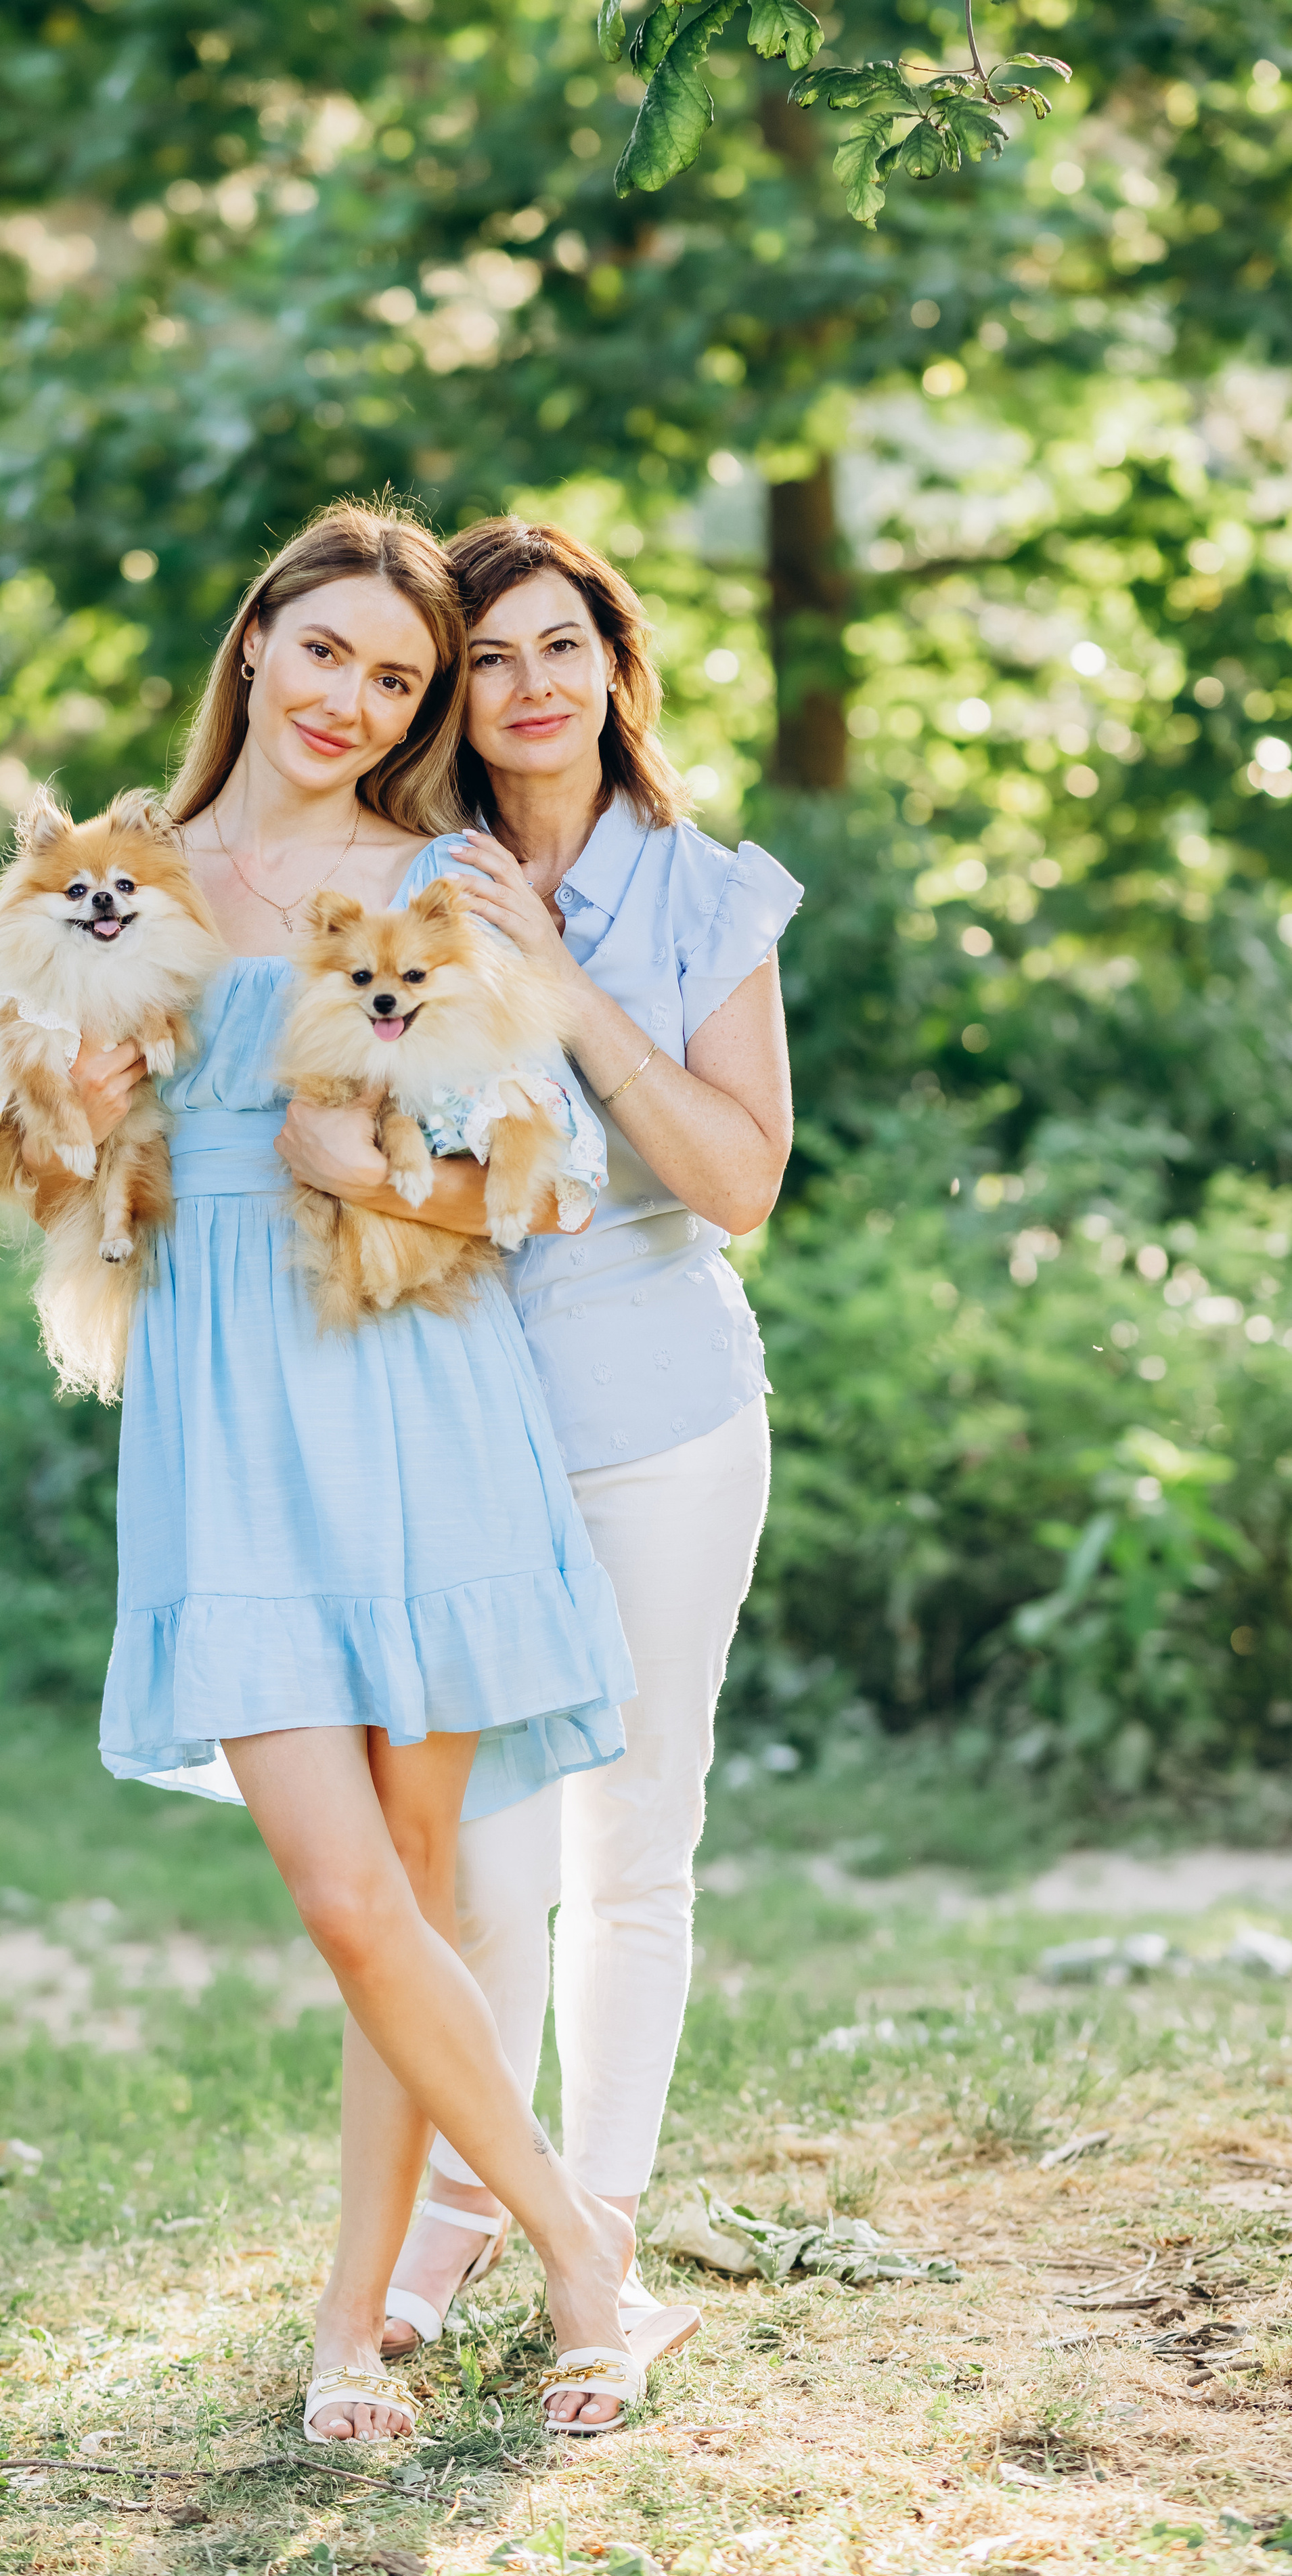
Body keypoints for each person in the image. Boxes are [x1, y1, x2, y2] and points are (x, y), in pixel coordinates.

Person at [9, 501, 641, 2443]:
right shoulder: (116, 870)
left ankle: (351, 2335)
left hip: (414, 1388)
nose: (353, 702)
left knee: (421, 1889)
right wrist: (67, 1113)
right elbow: (0, 1170)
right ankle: (588, 2260)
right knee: (347, 1893)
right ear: (256, 643)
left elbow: (546, 1170)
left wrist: (373, 1169)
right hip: (222, 1410)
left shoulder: (429, 882)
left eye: (397, 679)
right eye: (329, 655)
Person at [371, 517, 801, 2427]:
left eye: (565, 646)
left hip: (663, 1417)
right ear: (452, 696)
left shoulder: (707, 894)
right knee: (473, 1864)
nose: (533, 686)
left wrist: (563, 984)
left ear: (615, 667)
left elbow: (738, 1182)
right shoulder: (404, 885)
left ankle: (596, 2244)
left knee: (633, 1849)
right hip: (460, 1411)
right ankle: (469, 2202)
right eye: (491, 659)